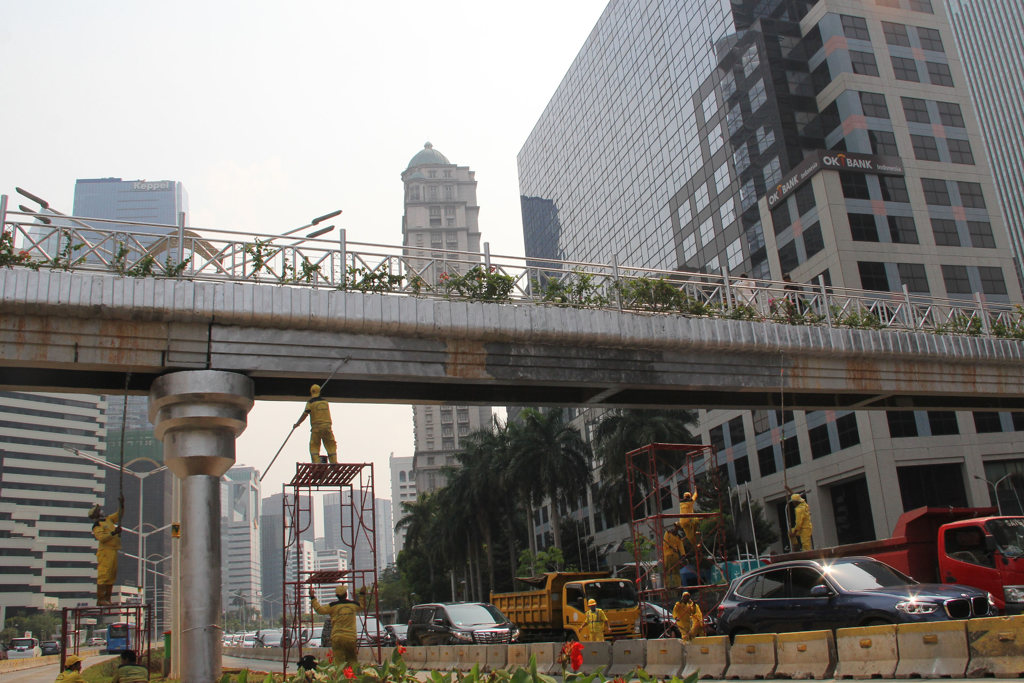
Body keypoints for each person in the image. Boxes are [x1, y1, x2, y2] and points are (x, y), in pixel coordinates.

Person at [311, 584, 364, 667]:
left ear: (337, 596)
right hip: (351, 638)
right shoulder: (353, 605)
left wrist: (313, 598)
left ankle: (340, 678)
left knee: (339, 663)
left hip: (337, 638)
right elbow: (362, 605)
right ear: (346, 594)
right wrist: (362, 594)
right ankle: (354, 678)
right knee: (352, 660)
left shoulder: (332, 606)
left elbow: (320, 610)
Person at [90, 494, 124, 606]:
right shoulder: (97, 525)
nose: (102, 511)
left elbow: (119, 515)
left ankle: (107, 599)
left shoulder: (109, 520)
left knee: (111, 575)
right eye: (99, 511)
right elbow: (102, 538)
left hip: (113, 550)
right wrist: (114, 532)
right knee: (104, 574)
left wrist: (121, 504)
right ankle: (101, 599)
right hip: (105, 552)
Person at [295, 384, 338, 464]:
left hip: (317, 428)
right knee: (330, 444)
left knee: (314, 445)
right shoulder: (325, 402)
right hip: (327, 427)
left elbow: (305, 414)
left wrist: (297, 423)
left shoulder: (310, 403)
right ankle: (334, 462)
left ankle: (316, 462)